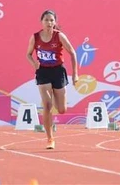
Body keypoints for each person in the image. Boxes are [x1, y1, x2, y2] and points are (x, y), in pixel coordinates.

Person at [26, 10, 79, 149]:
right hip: (43, 72)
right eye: (46, 20)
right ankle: (50, 138)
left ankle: (58, 97)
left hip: (58, 71)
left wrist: (75, 74)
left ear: (55, 22)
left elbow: (72, 53)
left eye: (51, 20)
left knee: (61, 109)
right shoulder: (35, 37)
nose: (49, 23)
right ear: (41, 22)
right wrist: (34, 64)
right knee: (47, 105)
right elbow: (28, 54)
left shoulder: (59, 36)